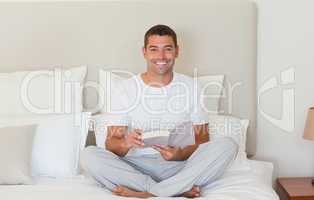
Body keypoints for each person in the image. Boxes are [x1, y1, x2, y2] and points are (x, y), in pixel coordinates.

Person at [81, 24, 238, 198]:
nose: (161, 56)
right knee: (89, 156)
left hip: (178, 167)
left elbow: (203, 141)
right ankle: (174, 190)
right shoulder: (124, 89)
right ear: (144, 52)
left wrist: (180, 153)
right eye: (154, 49)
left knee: (227, 145)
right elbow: (111, 144)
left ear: (177, 51)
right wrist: (126, 142)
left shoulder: (192, 87)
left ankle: (146, 193)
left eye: (167, 49)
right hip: (135, 165)